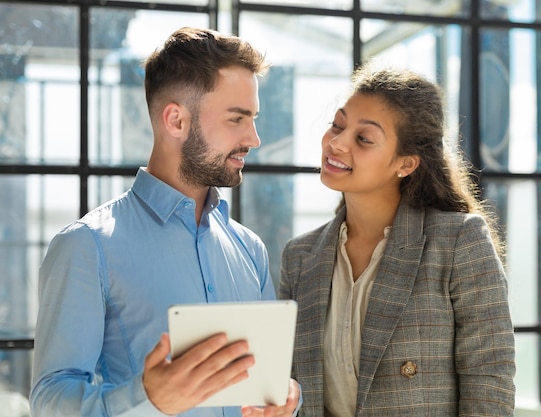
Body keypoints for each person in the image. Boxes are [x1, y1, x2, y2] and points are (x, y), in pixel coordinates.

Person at [30, 27, 300, 417]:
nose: (254, 138)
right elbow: (49, 402)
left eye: (253, 119)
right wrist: (148, 399)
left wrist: (285, 402)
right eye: (237, 119)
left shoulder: (249, 248)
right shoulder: (87, 246)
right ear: (175, 120)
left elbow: (264, 382)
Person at [280, 66, 516, 416]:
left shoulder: (458, 241)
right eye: (338, 125)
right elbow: (290, 387)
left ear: (405, 164)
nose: (337, 143)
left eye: (364, 139)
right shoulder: (299, 256)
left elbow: (490, 378)